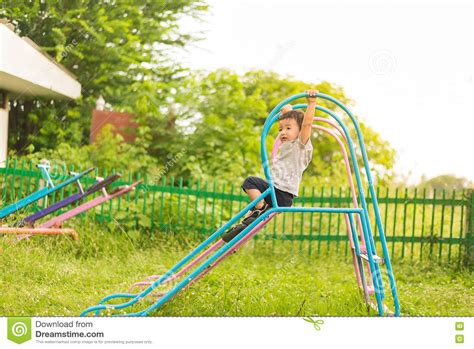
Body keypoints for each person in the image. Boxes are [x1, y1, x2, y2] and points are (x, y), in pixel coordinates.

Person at [222, 90, 318, 242]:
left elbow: (306, 123)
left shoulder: (300, 145)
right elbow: (294, 121)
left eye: (288, 128)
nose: (283, 132)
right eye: (280, 129)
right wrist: (288, 111)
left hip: (282, 193)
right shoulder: (287, 145)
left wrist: (311, 103)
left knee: (250, 182)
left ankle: (260, 207)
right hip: (277, 192)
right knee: (251, 213)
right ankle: (239, 237)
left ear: (300, 132)